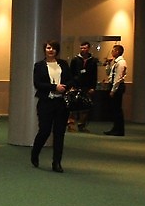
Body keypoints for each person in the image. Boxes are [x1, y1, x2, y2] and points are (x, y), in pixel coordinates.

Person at [31, 41, 72, 172]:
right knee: (44, 131)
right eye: (48, 48)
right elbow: (38, 83)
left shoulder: (63, 64)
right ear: (45, 50)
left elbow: (71, 79)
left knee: (59, 133)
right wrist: (54, 87)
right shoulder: (39, 65)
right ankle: (35, 152)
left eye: (54, 48)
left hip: (61, 103)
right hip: (46, 102)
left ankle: (57, 162)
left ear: (57, 51)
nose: (51, 50)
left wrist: (65, 87)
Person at [68, 41, 97, 132]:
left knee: (85, 106)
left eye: (85, 48)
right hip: (75, 86)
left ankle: (81, 125)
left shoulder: (93, 61)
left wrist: (93, 87)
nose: (83, 50)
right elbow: (71, 73)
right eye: (81, 48)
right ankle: (71, 125)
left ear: (88, 48)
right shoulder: (75, 60)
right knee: (73, 106)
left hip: (87, 87)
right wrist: (71, 86)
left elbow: (94, 75)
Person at [104, 44, 127, 136]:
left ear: (117, 51)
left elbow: (118, 78)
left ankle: (119, 130)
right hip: (114, 86)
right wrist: (108, 64)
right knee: (114, 109)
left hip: (118, 87)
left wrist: (113, 90)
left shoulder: (121, 63)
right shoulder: (115, 62)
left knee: (117, 109)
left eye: (113, 51)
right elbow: (109, 74)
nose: (112, 52)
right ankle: (115, 128)